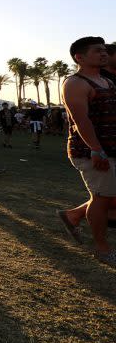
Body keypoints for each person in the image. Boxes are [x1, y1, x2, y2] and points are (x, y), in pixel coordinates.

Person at [58, 37, 116, 265]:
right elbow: (81, 120)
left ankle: (72, 216)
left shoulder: (107, 82)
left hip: (111, 148)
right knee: (101, 199)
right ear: (79, 57)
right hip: (91, 151)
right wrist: (96, 150)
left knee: (107, 198)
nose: (103, 54)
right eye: (97, 51)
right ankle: (102, 248)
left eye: (104, 51)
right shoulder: (75, 83)